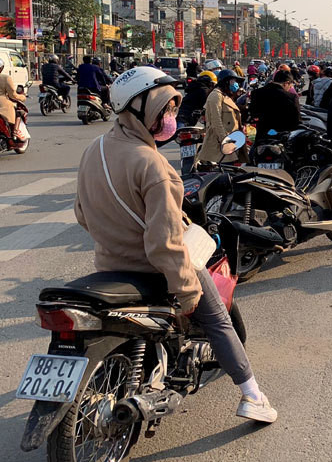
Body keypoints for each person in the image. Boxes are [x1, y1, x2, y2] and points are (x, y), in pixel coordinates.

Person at [74, 67, 277, 424]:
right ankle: (253, 396)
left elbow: (82, 214)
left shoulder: (94, 149)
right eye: (164, 109)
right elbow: (164, 243)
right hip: (153, 269)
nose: (169, 118)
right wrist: (186, 290)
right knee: (215, 317)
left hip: (109, 268)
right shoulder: (153, 166)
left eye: (171, 109)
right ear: (139, 107)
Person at [197, 69, 248, 165]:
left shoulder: (225, 95)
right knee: (225, 174)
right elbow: (216, 121)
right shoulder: (215, 96)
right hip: (220, 144)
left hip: (232, 140)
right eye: (233, 81)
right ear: (226, 81)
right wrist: (225, 141)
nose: (235, 84)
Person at [249, 69, 300, 139]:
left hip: (262, 137)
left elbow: (253, 114)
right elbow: (296, 122)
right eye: (290, 85)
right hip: (281, 139)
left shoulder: (256, 93)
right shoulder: (291, 97)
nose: (290, 88)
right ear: (286, 83)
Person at [0, 58, 26, 136]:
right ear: (1, 68)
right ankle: (15, 132)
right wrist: (23, 97)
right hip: (2, 105)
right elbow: (13, 95)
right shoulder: (5, 78)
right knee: (20, 112)